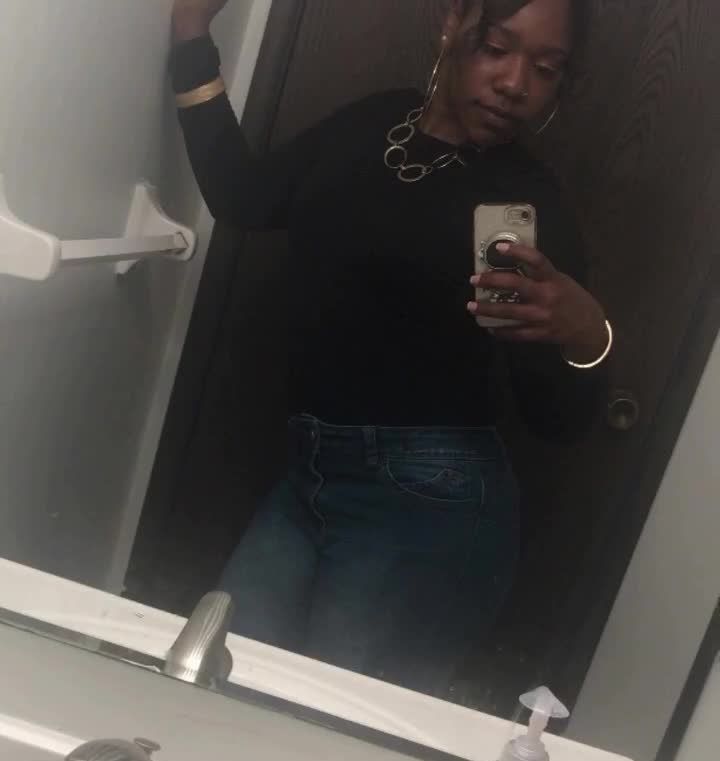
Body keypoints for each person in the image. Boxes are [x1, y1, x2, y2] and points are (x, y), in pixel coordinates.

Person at [169, 0, 610, 700]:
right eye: (497, 47)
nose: (515, 83)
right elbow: (244, 197)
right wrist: (191, 34)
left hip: (429, 502)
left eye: (546, 68)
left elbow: (553, 419)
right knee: (212, 679)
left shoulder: (521, 203)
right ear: (454, 23)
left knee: (326, 725)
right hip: (308, 477)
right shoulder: (378, 121)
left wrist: (588, 334)